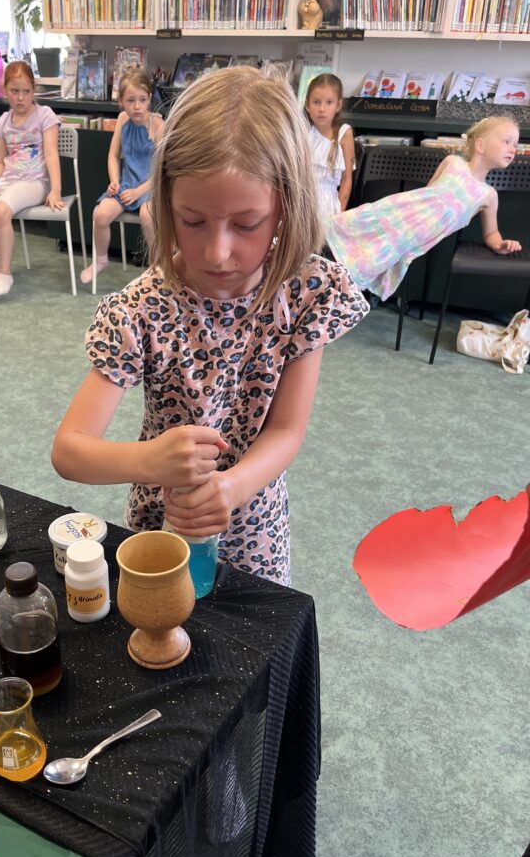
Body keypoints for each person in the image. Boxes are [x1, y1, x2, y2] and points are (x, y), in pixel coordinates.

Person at [52, 66, 369, 584]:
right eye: (193, 221)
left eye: (246, 224)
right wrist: (150, 460)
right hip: (162, 532)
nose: (217, 252)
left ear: (286, 206)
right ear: (166, 202)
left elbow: (287, 429)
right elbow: (70, 450)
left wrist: (233, 487)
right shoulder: (141, 308)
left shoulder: (305, 292)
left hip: (256, 526)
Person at [325, 115, 521, 300]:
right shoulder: (453, 162)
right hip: (395, 212)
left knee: (362, 264)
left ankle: (328, 293)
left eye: (515, 144)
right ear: (480, 145)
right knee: (340, 232)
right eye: (507, 141)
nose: (513, 149)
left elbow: (491, 232)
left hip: (408, 239)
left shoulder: (488, 195)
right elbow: (426, 194)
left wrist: (500, 244)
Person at [0, 60, 64, 297]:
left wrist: (56, 190)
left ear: (33, 90)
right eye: (14, 91)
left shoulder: (45, 115)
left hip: (34, 182)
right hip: (8, 181)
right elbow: (0, 162)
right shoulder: (2, 122)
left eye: (26, 91)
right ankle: (0, 256)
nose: (20, 97)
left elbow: (52, 155)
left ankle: (5, 273)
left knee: (2, 211)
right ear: (5, 90)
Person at [80, 69, 164, 285]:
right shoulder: (122, 119)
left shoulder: (157, 125)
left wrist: (139, 191)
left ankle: (158, 266)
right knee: (100, 214)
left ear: (149, 99)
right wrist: (114, 181)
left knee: (147, 215)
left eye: (142, 100)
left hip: (151, 186)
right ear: (121, 102)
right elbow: (113, 155)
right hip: (127, 185)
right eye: (131, 100)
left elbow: (163, 168)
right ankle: (101, 260)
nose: (137, 106)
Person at [304, 73, 355, 226]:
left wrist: (338, 216)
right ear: (307, 105)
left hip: (328, 207)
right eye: (316, 102)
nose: (322, 109)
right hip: (302, 203)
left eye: (329, 102)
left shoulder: (344, 133)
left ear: (338, 105)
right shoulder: (303, 132)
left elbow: (347, 180)